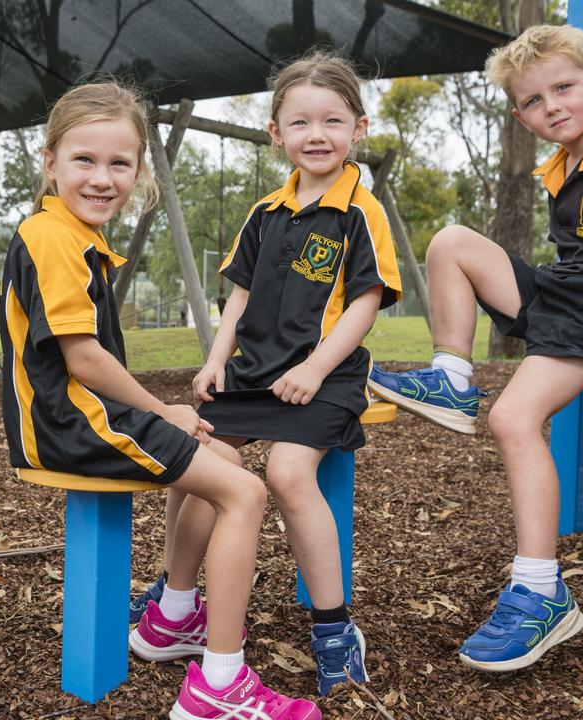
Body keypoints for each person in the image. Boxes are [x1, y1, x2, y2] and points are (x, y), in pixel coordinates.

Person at [368, 24, 583, 671]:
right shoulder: (560, 166)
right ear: (522, 116)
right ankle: (451, 376)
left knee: (514, 418)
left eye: (565, 88)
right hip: (565, 295)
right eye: (536, 101)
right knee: (451, 242)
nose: (554, 107)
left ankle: (542, 592)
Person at [0, 81, 320, 720]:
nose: (102, 178)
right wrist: (156, 409)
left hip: (75, 415)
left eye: (119, 163)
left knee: (208, 453)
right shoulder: (53, 237)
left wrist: (166, 417)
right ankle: (219, 686)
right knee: (245, 491)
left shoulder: (70, 234)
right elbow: (83, 359)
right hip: (71, 421)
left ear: (139, 169)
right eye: (83, 160)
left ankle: (172, 618)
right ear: (50, 161)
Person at [183, 50, 401, 696]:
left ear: (358, 128)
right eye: (300, 123)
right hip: (253, 374)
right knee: (201, 459)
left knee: (284, 471)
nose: (317, 135)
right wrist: (217, 358)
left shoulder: (361, 210)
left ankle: (334, 629)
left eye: (332, 121)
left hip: (325, 378)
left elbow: (365, 304)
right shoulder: (265, 212)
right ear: (276, 133)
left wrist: (314, 368)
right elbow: (240, 296)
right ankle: (175, 605)